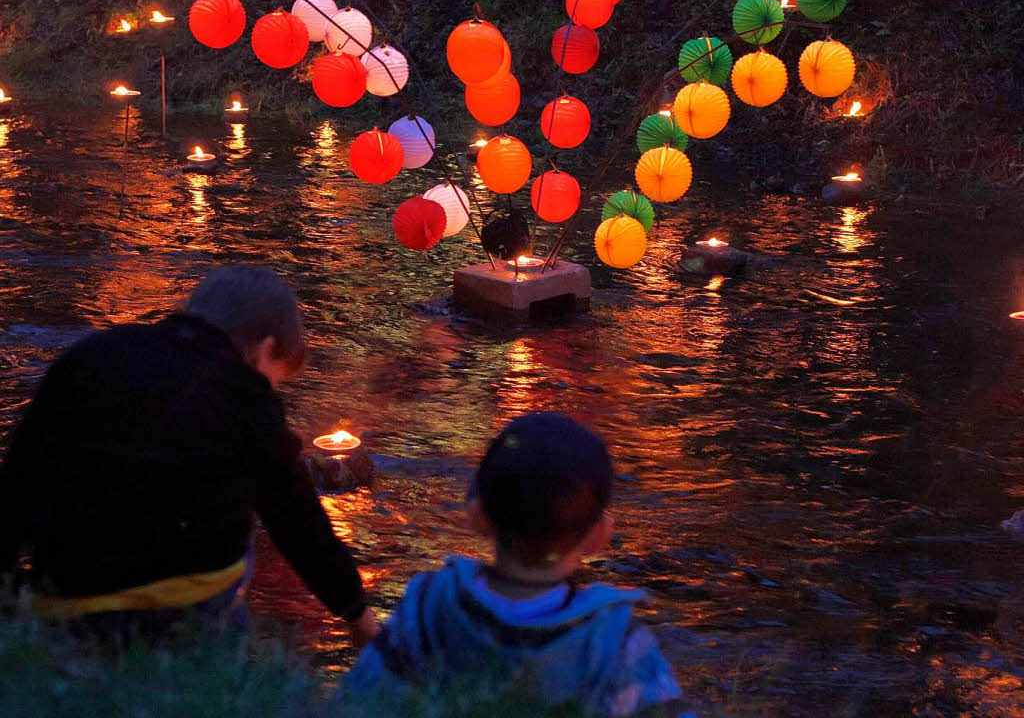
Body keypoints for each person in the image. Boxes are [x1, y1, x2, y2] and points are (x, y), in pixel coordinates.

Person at [0, 266, 378, 647]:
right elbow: (296, 518)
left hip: (64, 600)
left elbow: (18, 478)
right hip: (177, 609)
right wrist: (357, 614)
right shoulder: (244, 393)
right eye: (275, 378)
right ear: (265, 348)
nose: (271, 389)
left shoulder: (89, 355)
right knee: (249, 507)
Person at [341, 412, 693, 717]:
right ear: (599, 536)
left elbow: (359, 698)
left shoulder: (429, 605)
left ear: (477, 516)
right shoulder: (614, 639)